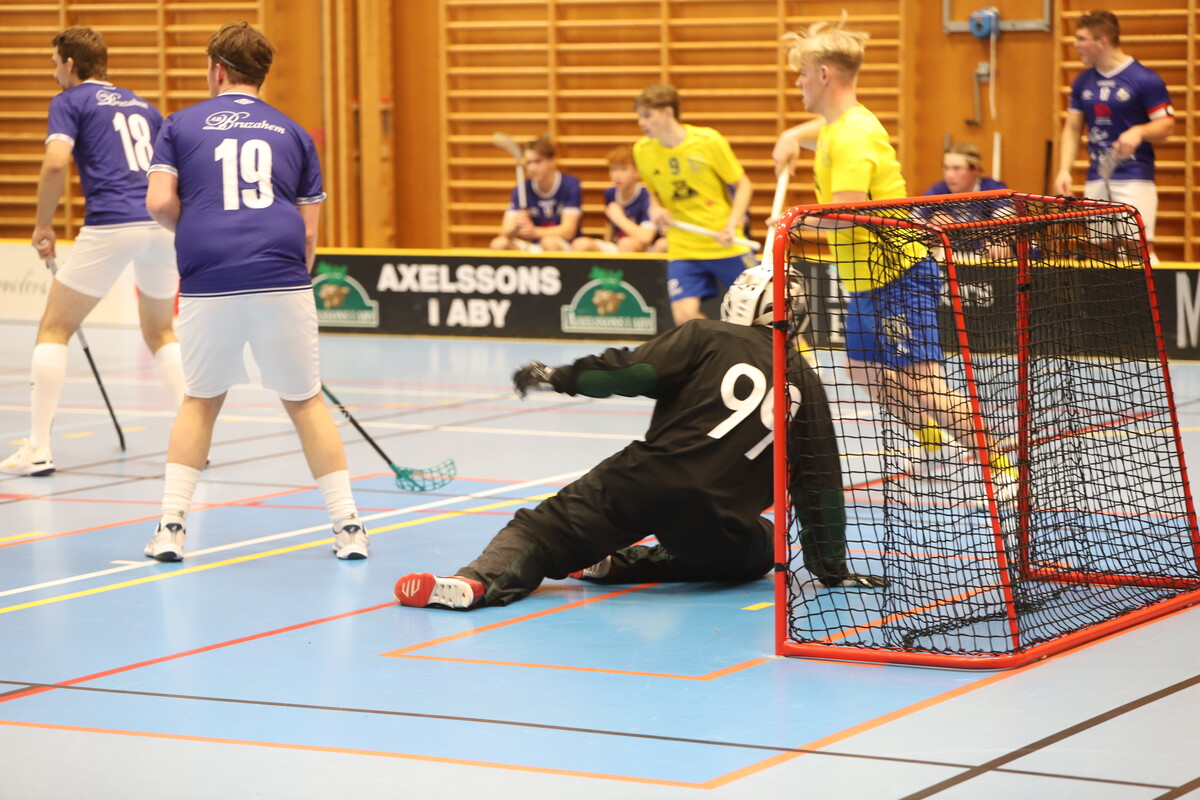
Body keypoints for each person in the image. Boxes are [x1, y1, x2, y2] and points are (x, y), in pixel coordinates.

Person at [393, 265, 887, 610]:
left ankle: (475, 583)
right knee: (761, 549)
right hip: (719, 521)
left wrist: (559, 375)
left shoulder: (704, 335)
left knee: (539, 531)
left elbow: (630, 372)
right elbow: (820, 487)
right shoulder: (809, 384)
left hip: (646, 480)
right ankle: (618, 566)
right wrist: (830, 568)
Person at [141, 21, 367, 562]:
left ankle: (171, 528)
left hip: (209, 279)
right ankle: (349, 528)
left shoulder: (179, 125)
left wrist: (198, 229)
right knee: (305, 402)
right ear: (260, 75)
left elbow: (158, 202)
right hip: (281, 277)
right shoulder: (295, 133)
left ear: (217, 70)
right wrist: (291, 280)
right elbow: (309, 233)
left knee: (200, 401)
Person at [771, 17, 1017, 495]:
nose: (797, 83)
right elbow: (819, 132)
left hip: (897, 273)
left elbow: (843, 217)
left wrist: (791, 223)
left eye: (801, 73)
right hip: (864, 279)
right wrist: (789, 138)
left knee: (923, 382)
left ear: (824, 75)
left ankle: (1001, 466)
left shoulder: (852, 137)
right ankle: (932, 444)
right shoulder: (836, 126)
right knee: (863, 371)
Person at [0, 26, 185, 477]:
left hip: (112, 224)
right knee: (162, 331)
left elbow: (56, 164)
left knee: (54, 327)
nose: (54, 74)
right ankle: (193, 441)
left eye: (54, 65)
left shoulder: (70, 101)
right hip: (161, 226)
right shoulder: (145, 106)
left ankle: (38, 448)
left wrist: (43, 224)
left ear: (70, 64)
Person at [1052, 10, 1175, 264]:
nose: (1076, 45)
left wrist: (1139, 131)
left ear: (1103, 41)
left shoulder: (1144, 79)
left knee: (1137, 247)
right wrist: (1064, 169)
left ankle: (1151, 290)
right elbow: (1072, 128)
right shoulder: (1082, 82)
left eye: (1081, 39)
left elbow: (1167, 126)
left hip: (1134, 175)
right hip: (1098, 174)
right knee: (1102, 250)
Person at [632, 85, 756, 325]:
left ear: (668, 112)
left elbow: (743, 185)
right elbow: (653, 192)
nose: (641, 122)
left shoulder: (708, 141)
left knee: (762, 311)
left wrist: (732, 225)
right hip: (683, 246)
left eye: (647, 115)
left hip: (724, 241)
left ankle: (798, 347)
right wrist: (655, 209)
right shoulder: (642, 151)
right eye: (639, 116)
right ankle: (720, 346)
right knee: (685, 319)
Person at [489, 134, 582, 252]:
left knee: (548, 242)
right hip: (535, 246)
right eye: (528, 163)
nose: (532, 168)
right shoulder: (522, 189)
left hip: (564, 246)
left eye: (538, 161)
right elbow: (504, 231)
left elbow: (568, 231)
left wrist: (535, 232)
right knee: (498, 244)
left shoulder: (569, 184)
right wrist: (516, 224)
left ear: (552, 161)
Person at [571, 145, 665, 254]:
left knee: (626, 244)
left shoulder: (646, 196)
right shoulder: (610, 193)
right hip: (618, 245)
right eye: (613, 169)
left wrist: (619, 218)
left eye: (623, 169)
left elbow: (646, 237)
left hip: (646, 250)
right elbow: (610, 226)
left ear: (637, 172)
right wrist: (607, 242)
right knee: (581, 244)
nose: (617, 175)